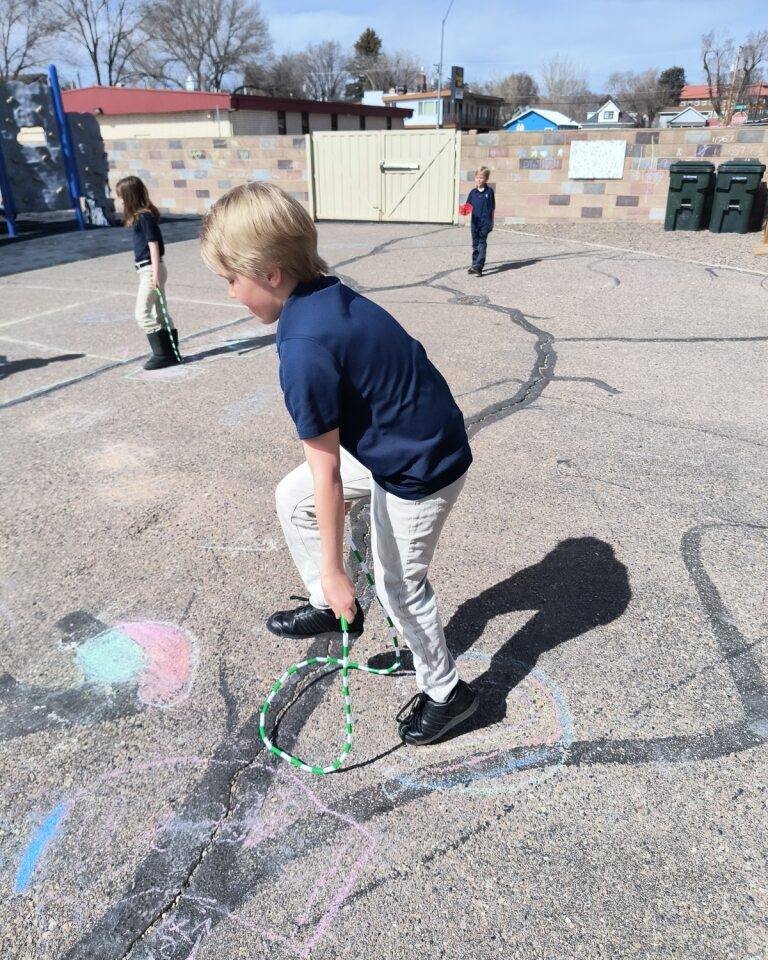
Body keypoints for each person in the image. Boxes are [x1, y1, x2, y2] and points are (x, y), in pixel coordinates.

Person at [200, 183, 479, 746]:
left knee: (401, 586)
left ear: (272, 272)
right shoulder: (323, 294)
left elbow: (327, 473)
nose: (231, 294)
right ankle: (334, 608)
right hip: (396, 442)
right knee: (292, 496)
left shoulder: (303, 347)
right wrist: (331, 584)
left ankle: (450, 694)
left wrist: (335, 568)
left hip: (420, 467)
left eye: (232, 279)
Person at [115, 176, 181, 370]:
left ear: (130, 196)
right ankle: (172, 354)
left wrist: (154, 273)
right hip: (149, 269)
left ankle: (162, 354)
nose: (121, 201)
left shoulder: (144, 217)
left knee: (142, 314)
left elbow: (154, 245)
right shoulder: (142, 217)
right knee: (160, 313)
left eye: (122, 197)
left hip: (151, 269)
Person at [465, 166, 495, 277]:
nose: (479, 180)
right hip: (474, 223)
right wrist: (464, 211)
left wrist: (492, 222)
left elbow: (492, 208)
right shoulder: (472, 192)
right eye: (477, 177)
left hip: (485, 223)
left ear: (486, 179)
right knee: (475, 245)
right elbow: (468, 207)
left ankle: (479, 266)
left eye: (481, 178)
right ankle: (474, 265)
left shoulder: (489, 192)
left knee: (481, 244)